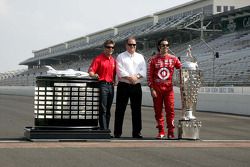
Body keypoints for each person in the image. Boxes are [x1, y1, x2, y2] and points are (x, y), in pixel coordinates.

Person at [147, 38, 182, 139]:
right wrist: (152, 89)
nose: (165, 47)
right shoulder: (153, 60)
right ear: (159, 47)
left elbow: (181, 68)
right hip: (157, 89)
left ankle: (171, 131)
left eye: (167, 45)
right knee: (158, 111)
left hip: (168, 89)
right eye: (163, 45)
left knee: (170, 110)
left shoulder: (173, 59)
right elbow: (149, 76)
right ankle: (161, 131)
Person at [114, 37, 146, 138]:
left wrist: (135, 77)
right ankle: (117, 132)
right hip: (123, 85)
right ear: (126, 45)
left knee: (136, 110)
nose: (132, 46)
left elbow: (143, 70)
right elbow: (119, 70)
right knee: (120, 109)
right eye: (130, 44)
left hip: (136, 85)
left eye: (134, 45)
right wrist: (129, 78)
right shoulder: (120, 56)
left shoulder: (140, 57)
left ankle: (137, 132)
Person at [88, 40, 116, 130]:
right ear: (104, 48)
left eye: (112, 47)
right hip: (102, 85)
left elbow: (115, 74)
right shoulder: (98, 59)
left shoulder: (113, 60)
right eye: (108, 47)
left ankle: (106, 129)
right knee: (103, 109)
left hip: (111, 86)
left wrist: (115, 81)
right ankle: (103, 129)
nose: (110, 49)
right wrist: (93, 74)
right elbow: (91, 71)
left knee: (108, 110)